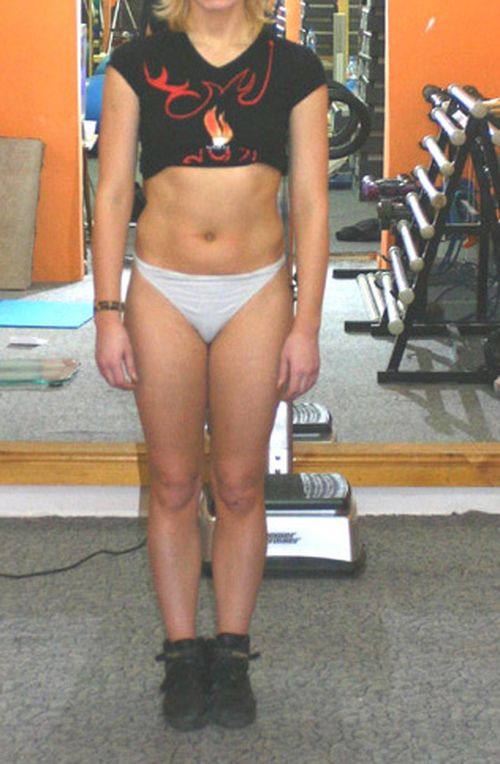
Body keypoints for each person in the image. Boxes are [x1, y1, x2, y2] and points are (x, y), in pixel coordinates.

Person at [92, 0, 329, 732]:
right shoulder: (135, 63)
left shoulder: (295, 68)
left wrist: (307, 323)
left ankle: (231, 652)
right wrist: (107, 312)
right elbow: (113, 192)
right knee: (172, 483)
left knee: (239, 484)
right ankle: (181, 651)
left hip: (256, 292)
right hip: (162, 289)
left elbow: (311, 203)